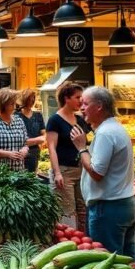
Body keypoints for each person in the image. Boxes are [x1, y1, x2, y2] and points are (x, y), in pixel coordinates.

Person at [71, 86, 135, 259]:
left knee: (109, 262)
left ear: (99, 106)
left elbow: (96, 172)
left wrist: (81, 148)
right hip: (125, 203)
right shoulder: (115, 128)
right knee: (129, 262)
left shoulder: (106, 133)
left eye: (85, 103)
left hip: (109, 208)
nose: (82, 108)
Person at [46, 82, 91, 230]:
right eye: (77, 97)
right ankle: (68, 243)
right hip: (64, 172)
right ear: (66, 98)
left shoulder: (80, 120)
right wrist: (57, 172)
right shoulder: (55, 120)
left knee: (83, 210)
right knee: (67, 213)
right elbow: (51, 147)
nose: (81, 101)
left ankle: (84, 242)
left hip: (82, 171)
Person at [16, 89, 46, 172]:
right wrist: (37, 140)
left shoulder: (38, 115)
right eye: (29, 99)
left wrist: (28, 141)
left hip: (34, 153)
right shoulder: (16, 116)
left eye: (33, 99)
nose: (32, 101)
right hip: (19, 153)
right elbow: (17, 140)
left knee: (31, 177)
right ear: (24, 100)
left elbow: (44, 136)